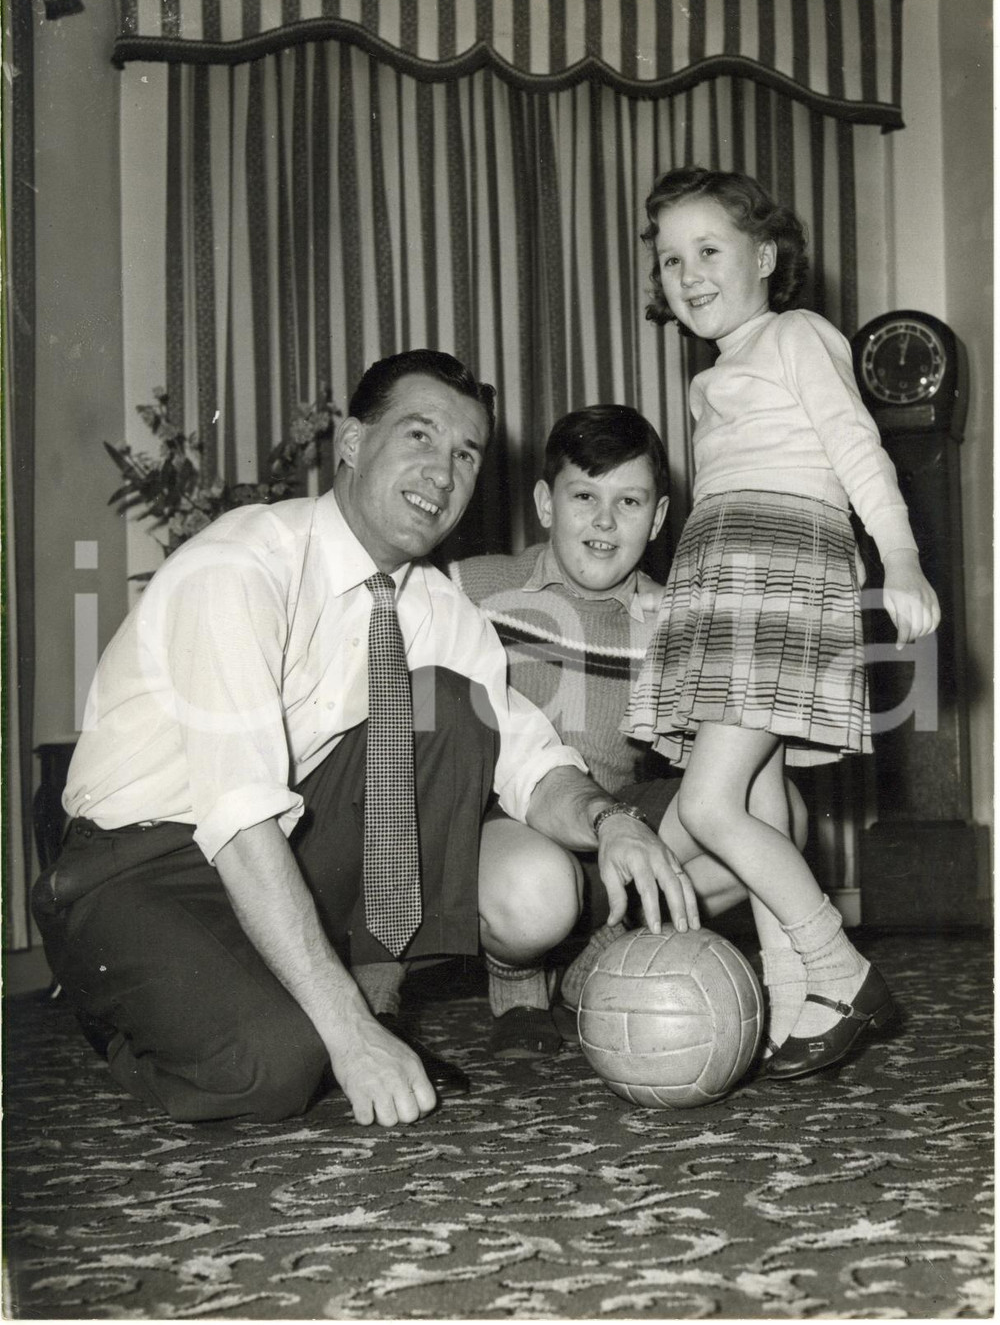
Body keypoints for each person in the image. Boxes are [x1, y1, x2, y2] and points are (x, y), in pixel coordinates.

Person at [32, 349, 703, 1130]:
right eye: (419, 436)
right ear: (350, 442)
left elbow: (530, 761)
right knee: (276, 1067)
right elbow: (239, 816)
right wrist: (340, 1036)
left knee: (452, 706)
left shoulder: (434, 607)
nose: (442, 472)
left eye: (464, 453)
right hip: (135, 864)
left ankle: (373, 1004)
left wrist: (612, 822)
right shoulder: (239, 566)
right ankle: (115, 1003)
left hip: (282, 847)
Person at [621, 166, 941, 1079]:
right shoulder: (710, 378)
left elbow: (857, 450)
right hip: (724, 577)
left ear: (765, 255)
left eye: (709, 250)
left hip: (783, 572)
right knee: (758, 801)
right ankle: (792, 998)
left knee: (710, 804)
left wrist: (903, 556)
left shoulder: (797, 335)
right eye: (671, 258)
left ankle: (839, 966)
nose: (687, 274)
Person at [451, 404, 806, 1058]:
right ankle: (516, 976)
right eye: (584, 495)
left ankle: (600, 955)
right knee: (536, 892)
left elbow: (718, 762)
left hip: (617, 826)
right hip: (507, 832)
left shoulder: (674, 614)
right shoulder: (471, 586)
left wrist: (700, 640)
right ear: (546, 503)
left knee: (773, 814)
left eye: (630, 501)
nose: (605, 522)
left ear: (661, 516)